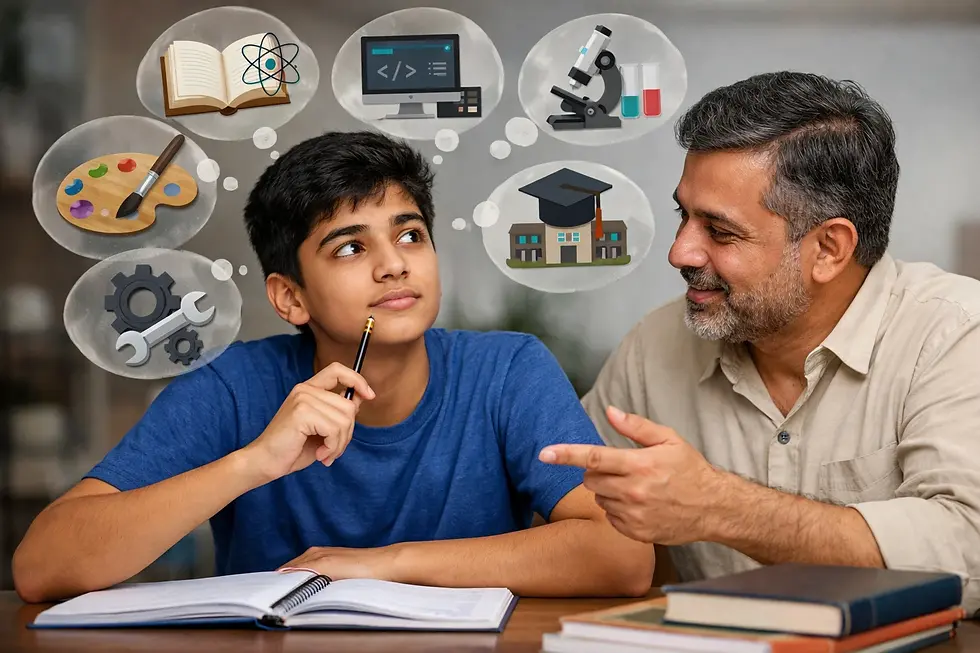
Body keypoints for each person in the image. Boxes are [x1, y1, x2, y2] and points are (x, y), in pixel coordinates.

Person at [14, 130, 653, 603]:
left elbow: (622, 555)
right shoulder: (232, 386)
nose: (394, 265)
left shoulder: (509, 370)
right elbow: (42, 566)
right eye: (350, 247)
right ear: (290, 297)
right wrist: (252, 463)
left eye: (410, 235)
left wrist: (386, 564)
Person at [539, 71, 980, 615]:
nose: (681, 253)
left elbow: (968, 548)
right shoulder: (656, 346)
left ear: (829, 248)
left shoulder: (956, 334)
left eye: (720, 232)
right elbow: (570, 518)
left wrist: (720, 507)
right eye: (684, 216)